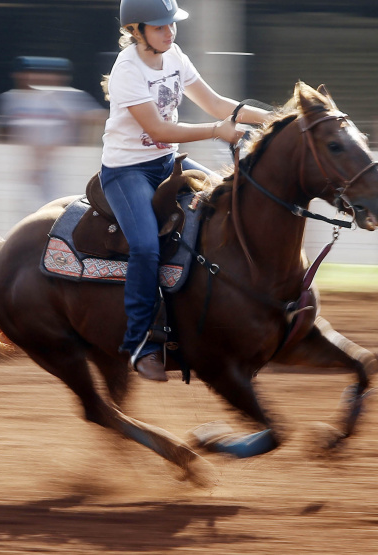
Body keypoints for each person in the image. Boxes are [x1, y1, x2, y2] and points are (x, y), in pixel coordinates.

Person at [101, 0, 272, 382]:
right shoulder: (126, 70)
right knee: (145, 246)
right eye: (160, 26)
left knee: (230, 201)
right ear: (136, 30)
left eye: (172, 25)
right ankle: (140, 343)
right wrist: (217, 131)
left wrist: (276, 119)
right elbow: (160, 131)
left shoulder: (175, 55)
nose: (170, 32)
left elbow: (215, 104)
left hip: (167, 164)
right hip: (126, 171)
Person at [0, 56, 107, 207]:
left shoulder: (71, 96)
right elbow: (4, 132)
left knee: (59, 207)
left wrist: (81, 140)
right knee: (26, 209)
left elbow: (99, 117)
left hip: (61, 168)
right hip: (24, 168)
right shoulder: (11, 98)